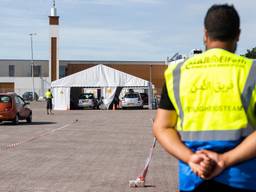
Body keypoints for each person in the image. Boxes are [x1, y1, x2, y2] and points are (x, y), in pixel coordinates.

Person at [153, 4, 256, 192]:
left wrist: (191, 158)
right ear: (238, 34)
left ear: (205, 34)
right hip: (242, 179)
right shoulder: (252, 72)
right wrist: (224, 160)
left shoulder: (177, 72)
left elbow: (162, 127)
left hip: (193, 178)